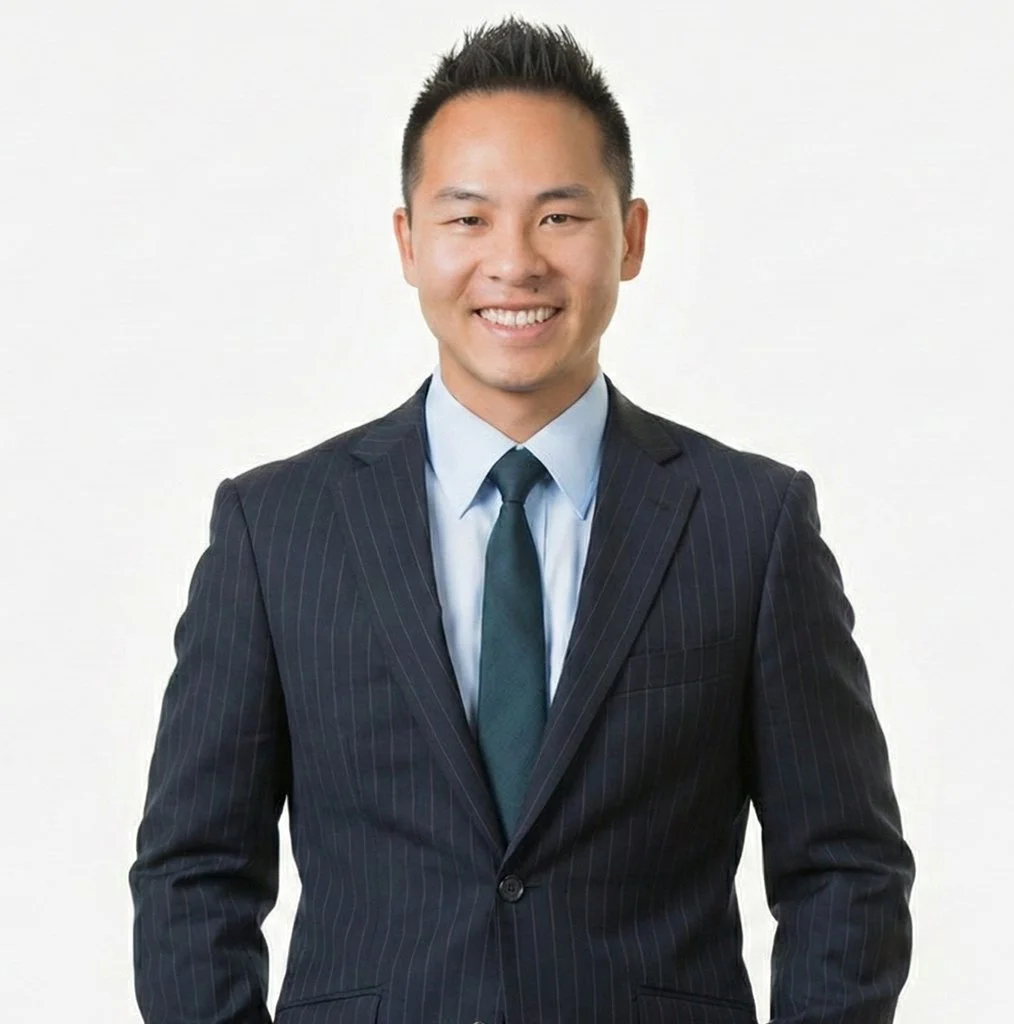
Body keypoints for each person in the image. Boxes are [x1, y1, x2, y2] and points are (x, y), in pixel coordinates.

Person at [129, 16, 914, 1024]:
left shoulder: (749, 524)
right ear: (407, 243)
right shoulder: (275, 527)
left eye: (558, 217)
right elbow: (194, 871)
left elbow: (843, 869)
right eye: (466, 219)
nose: (514, 262)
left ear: (629, 237)